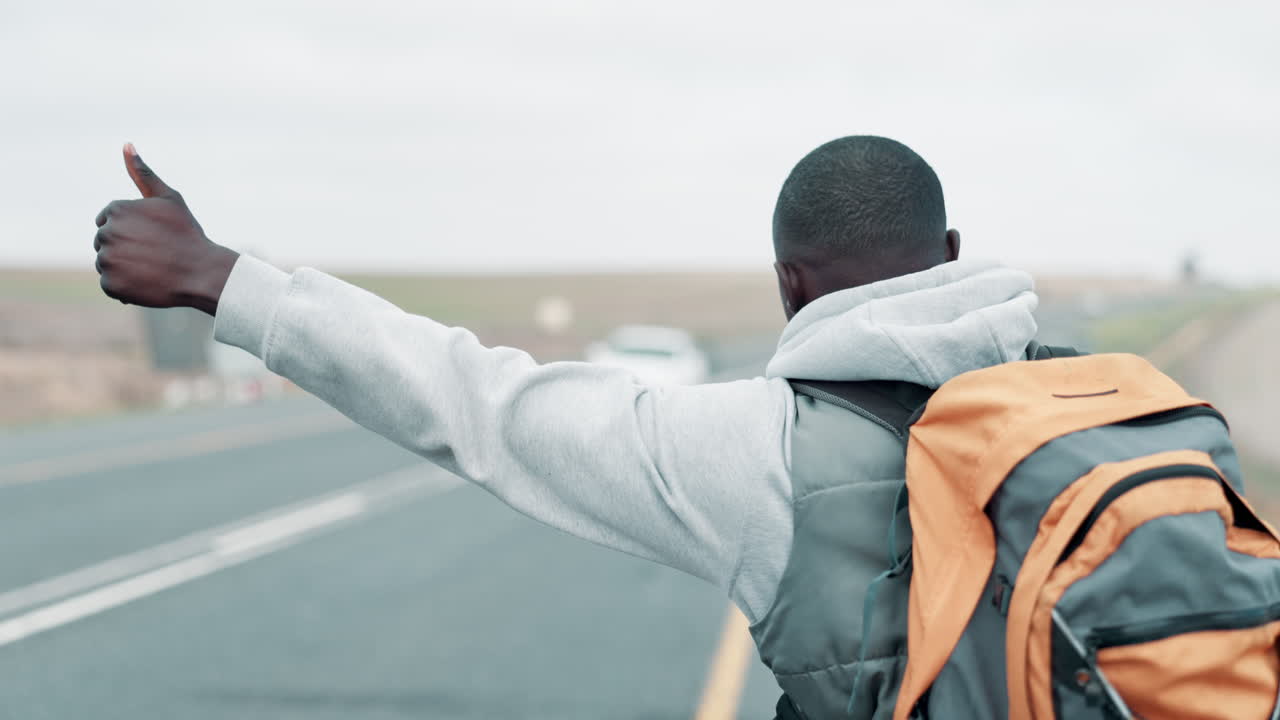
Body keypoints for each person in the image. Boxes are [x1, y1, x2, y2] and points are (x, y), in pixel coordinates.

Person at [92, 135, 1039, 719]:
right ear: (950, 254)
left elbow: (476, 401)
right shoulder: (1103, 405)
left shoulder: (760, 454)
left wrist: (219, 278)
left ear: (789, 285)